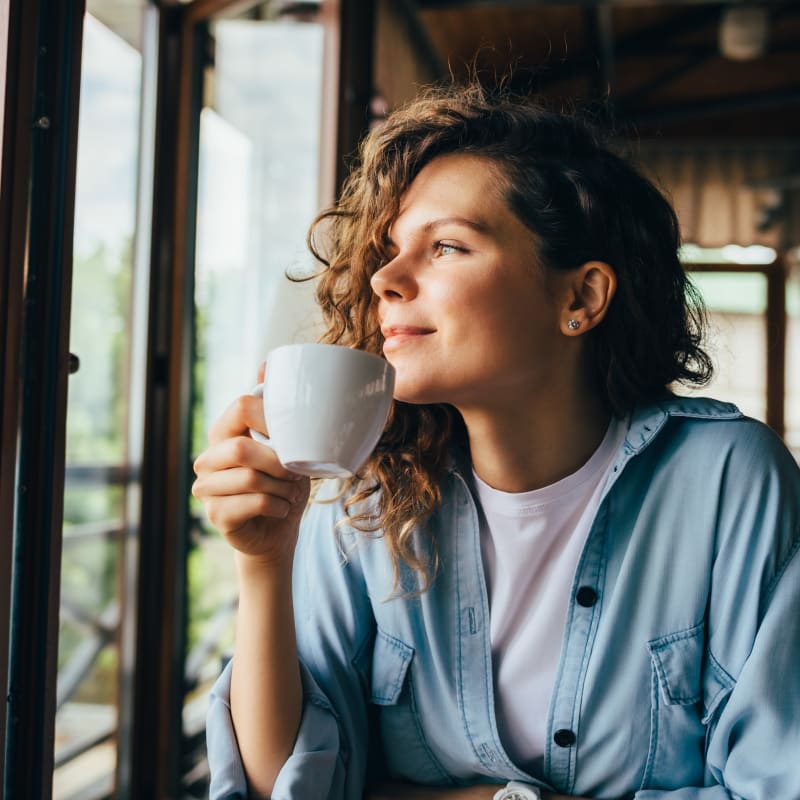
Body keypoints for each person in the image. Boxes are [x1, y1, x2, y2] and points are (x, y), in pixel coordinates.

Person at [192, 83, 800, 800]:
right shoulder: (366, 491)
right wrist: (264, 563)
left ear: (580, 298)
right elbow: (281, 788)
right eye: (389, 252)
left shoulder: (730, 480)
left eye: (446, 246)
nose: (385, 279)